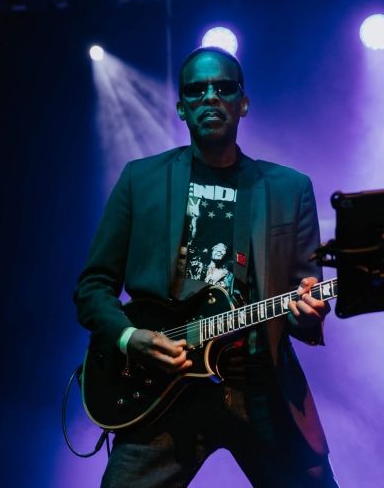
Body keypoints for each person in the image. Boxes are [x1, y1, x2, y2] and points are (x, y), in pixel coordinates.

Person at [74, 46, 337, 487]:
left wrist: (308, 313)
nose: (210, 97)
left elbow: (304, 302)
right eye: (196, 90)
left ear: (243, 103)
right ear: (181, 107)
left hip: (259, 383)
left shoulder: (289, 189)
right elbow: (93, 287)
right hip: (163, 387)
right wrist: (129, 338)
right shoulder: (141, 180)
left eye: (223, 87)